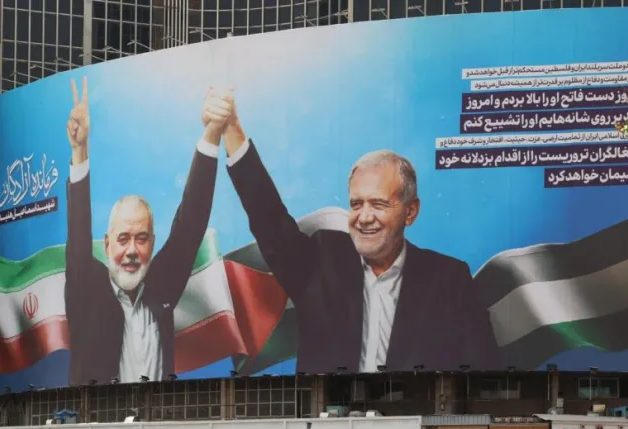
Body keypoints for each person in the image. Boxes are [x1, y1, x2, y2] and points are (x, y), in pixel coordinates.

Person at [215, 91, 503, 374]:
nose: (364, 217)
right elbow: (269, 221)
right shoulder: (321, 260)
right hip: (329, 419)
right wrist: (232, 131)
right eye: (356, 204)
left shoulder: (449, 280)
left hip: (411, 418)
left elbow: (481, 369)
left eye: (378, 204)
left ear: (411, 212)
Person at [64, 77, 229, 385]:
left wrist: (212, 132)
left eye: (141, 239)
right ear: (107, 242)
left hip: (157, 424)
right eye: (123, 239)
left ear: (152, 244)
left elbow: (190, 225)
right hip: (98, 426)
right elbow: (76, 234)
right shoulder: (86, 287)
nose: (131, 251)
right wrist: (80, 151)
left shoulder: (161, 286)